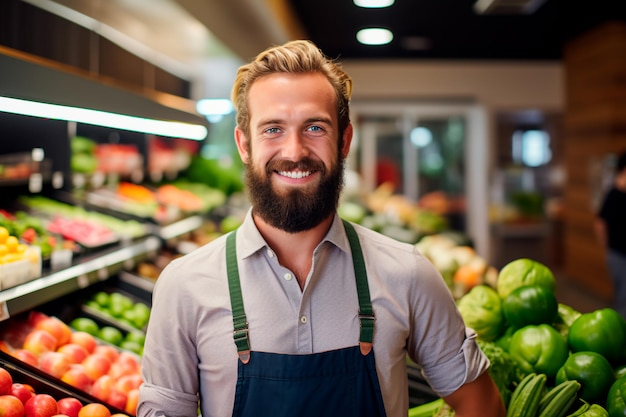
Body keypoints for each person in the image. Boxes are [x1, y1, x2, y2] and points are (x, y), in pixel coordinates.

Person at [137, 40, 505, 417]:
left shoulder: (407, 273)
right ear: (244, 144)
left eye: (315, 127)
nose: (294, 151)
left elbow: (481, 404)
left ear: (344, 141)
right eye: (273, 129)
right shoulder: (184, 286)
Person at [595, 150, 626, 319]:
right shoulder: (613, 195)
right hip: (618, 254)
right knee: (623, 298)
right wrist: (606, 250)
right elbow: (600, 224)